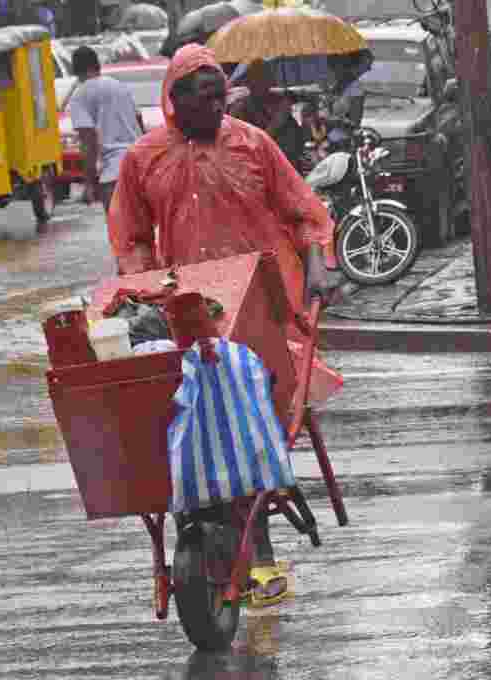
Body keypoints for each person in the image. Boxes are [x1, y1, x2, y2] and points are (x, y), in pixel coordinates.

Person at [107, 44, 344, 603]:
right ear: (175, 101)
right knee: (194, 424)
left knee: (248, 427)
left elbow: (305, 213)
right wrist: (144, 289)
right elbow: (131, 236)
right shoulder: (144, 159)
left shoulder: (253, 144)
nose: (218, 106)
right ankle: (212, 534)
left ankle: (259, 554)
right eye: (205, 97)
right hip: (188, 311)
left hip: (260, 304)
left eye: (222, 96)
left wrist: (319, 269)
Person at [66, 46, 143, 214]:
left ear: (75, 69)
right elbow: (139, 121)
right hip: (139, 167)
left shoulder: (79, 96)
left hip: (113, 174)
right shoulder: (120, 86)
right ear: (97, 64)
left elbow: (89, 142)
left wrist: (89, 183)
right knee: (143, 231)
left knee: (120, 234)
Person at [227, 58, 305, 169]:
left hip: (288, 166)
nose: (268, 83)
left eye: (268, 77)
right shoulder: (240, 110)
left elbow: (297, 139)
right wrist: (277, 122)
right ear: (249, 82)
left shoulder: (277, 101)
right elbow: (248, 149)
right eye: (261, 79)